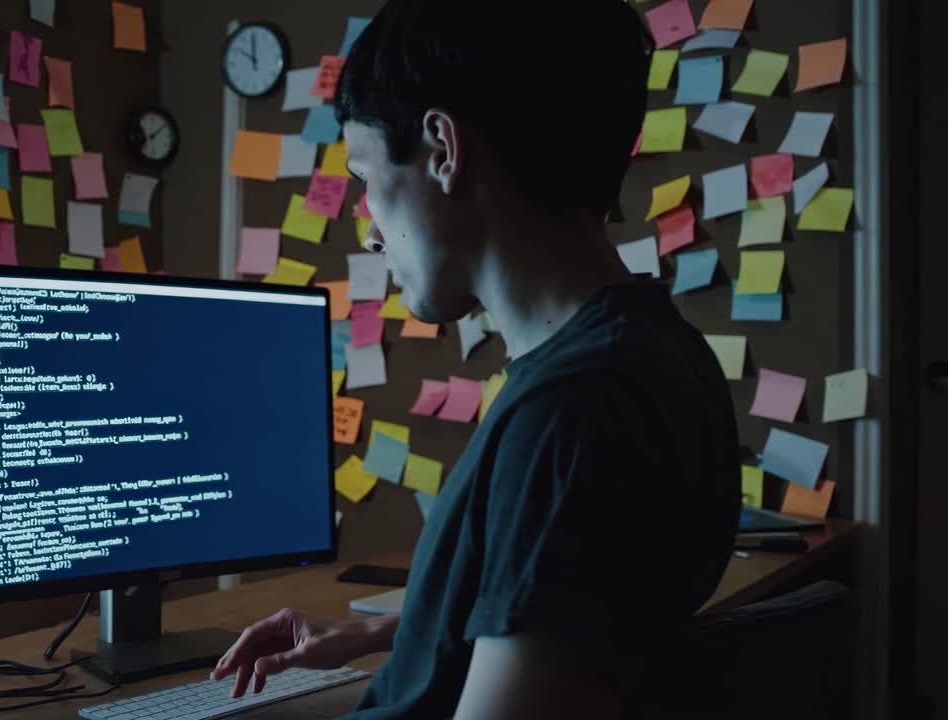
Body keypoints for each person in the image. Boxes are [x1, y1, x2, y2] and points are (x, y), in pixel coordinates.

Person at [212, 1, 742, 716]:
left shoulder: (575, 416)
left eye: (366, 178)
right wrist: (378, 631)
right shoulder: (658, 356)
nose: (369, 233)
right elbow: (567, 616)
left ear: (442, 150)